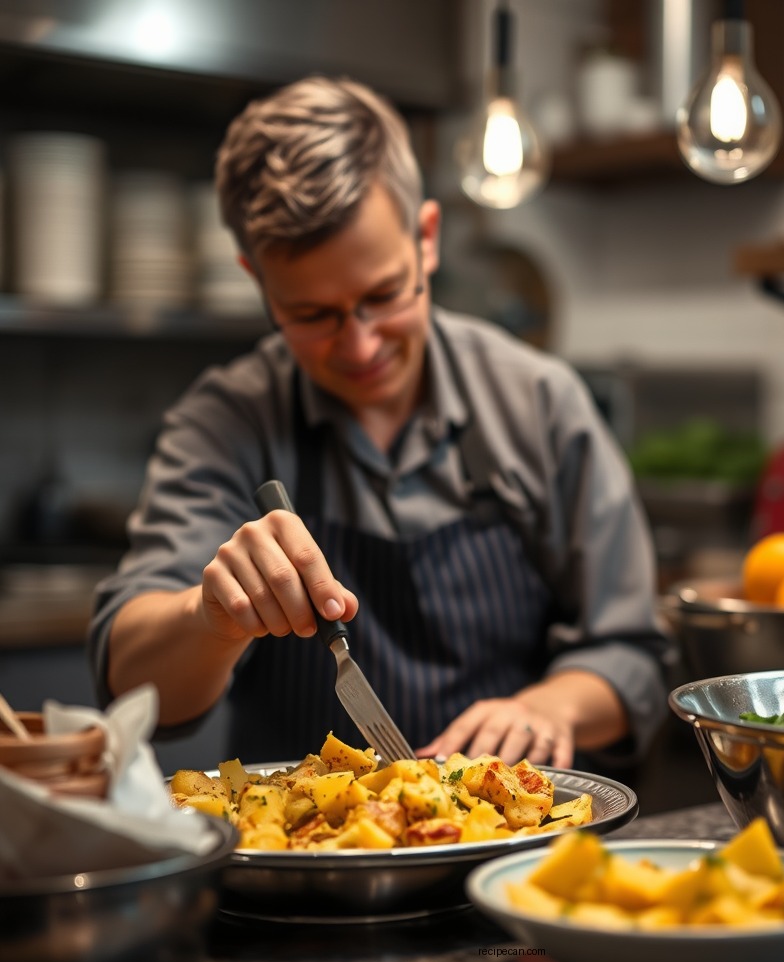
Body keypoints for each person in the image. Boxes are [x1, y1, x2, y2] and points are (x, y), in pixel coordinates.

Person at [88, 75, 668, 773]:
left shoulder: (538, 403)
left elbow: (634, 653)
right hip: (298, 868)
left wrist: (552, 705)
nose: (360, 345)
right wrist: (208, 620)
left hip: (515, 866)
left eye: (383, 295)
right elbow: (130, 677)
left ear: (426, 239)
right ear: (258, 280)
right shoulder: (225, 421)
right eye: (313, 315)